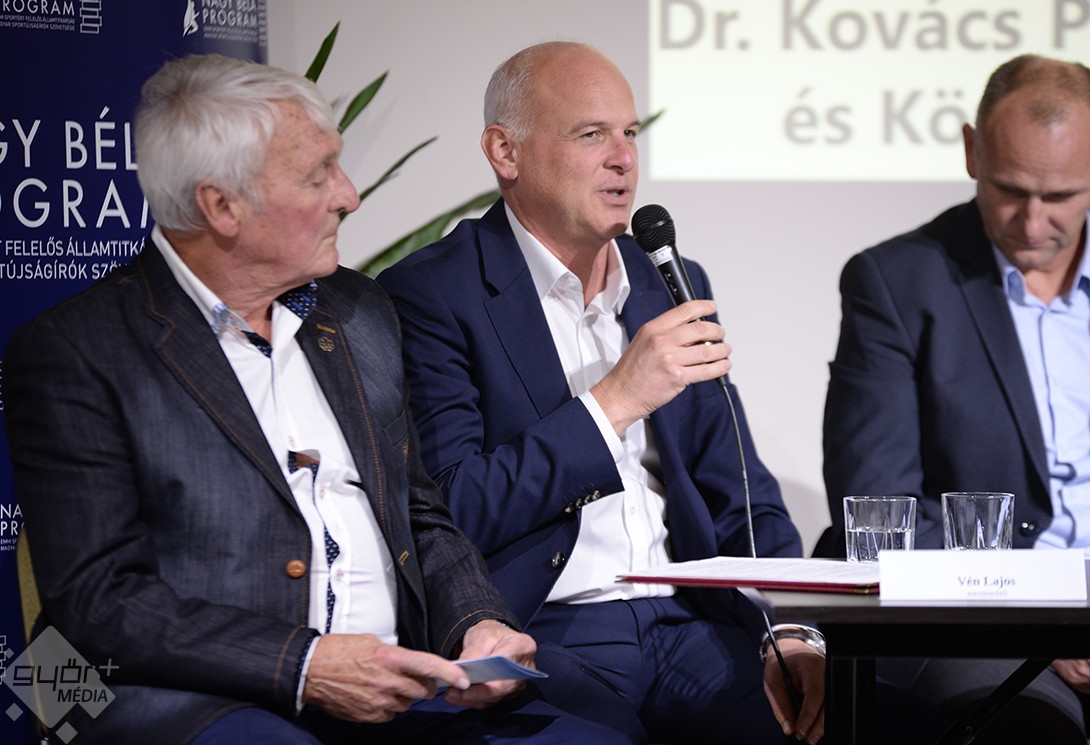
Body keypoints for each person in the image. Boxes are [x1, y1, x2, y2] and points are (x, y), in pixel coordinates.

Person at [3, 53, 625, 745]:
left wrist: (474, 621)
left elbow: (418, 510)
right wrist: (304, 665)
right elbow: (98, 600)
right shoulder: (76, 349)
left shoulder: (357, 310)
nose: (348, 195)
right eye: (317, 174)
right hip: (181, 699)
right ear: (221, 206)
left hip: (394, 689)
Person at [375, 42, 826, 744]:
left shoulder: (665, 280)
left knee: (872, 721)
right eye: (591, 135)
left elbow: (740, 484)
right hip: (545, 629)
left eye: (630, 133)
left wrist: (792, 630)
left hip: (689, 621)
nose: (623, 159)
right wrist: (614, 402)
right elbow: (454, 507)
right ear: (505, 151)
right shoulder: (433, 292)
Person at [821, 53, 1090, 744]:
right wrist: (1044, 623)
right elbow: (879, 503)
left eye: (1060, 197)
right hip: (980, 614)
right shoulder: (896, 282)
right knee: (1022, 733)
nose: (1031, 221)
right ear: (972, 151)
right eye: (1008, 190)